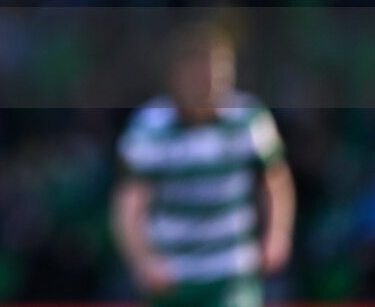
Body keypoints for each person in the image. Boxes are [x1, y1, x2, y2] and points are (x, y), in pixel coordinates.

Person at [112, 22, 295, 307]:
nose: (211, 82)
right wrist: (142, 261)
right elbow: (130, 203)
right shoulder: (149, 127)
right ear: (177, 75)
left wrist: (277, 234)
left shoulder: (248, 118)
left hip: (232, 271)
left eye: (220, 72)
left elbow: (274, 180)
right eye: (201, 73)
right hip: (172, 276)